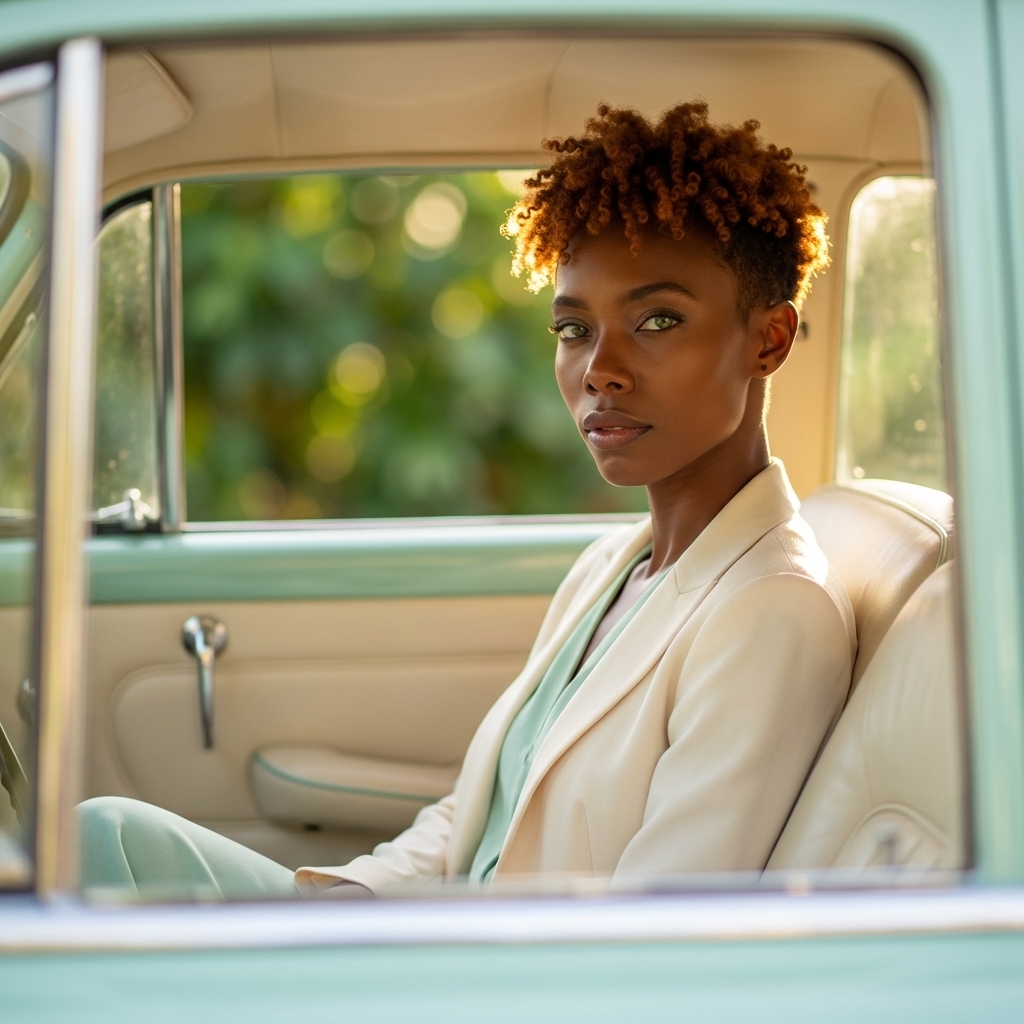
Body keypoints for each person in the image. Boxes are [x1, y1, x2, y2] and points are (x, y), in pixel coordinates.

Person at [79, 101, 855, 900]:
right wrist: (358, 896)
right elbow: (482, 813)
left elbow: (652, 938)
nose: (600, 370)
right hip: (433, 934)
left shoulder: (775, 610)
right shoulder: (612, 567)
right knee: (105, 838)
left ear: (770, 339)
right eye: (574, 329)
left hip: (498, 982)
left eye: (657, 320)